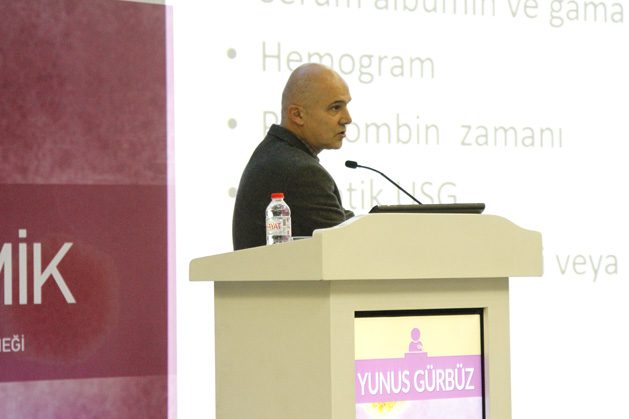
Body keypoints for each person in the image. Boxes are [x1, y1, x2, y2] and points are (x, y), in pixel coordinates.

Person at [232, 63, 355, 250]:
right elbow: (348, 248)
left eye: (346, 106)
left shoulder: (275, 155)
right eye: (335, 108)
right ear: (297, 115)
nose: (347, 118)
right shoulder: (300, 171)